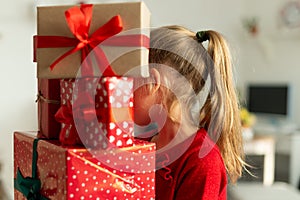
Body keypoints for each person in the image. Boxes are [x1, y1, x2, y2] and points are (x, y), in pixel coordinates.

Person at [133, 25, 245, 200]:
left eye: (130, 81)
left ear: (153, 82)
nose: (122, 92)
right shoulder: (141, 144)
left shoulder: (203, 160)